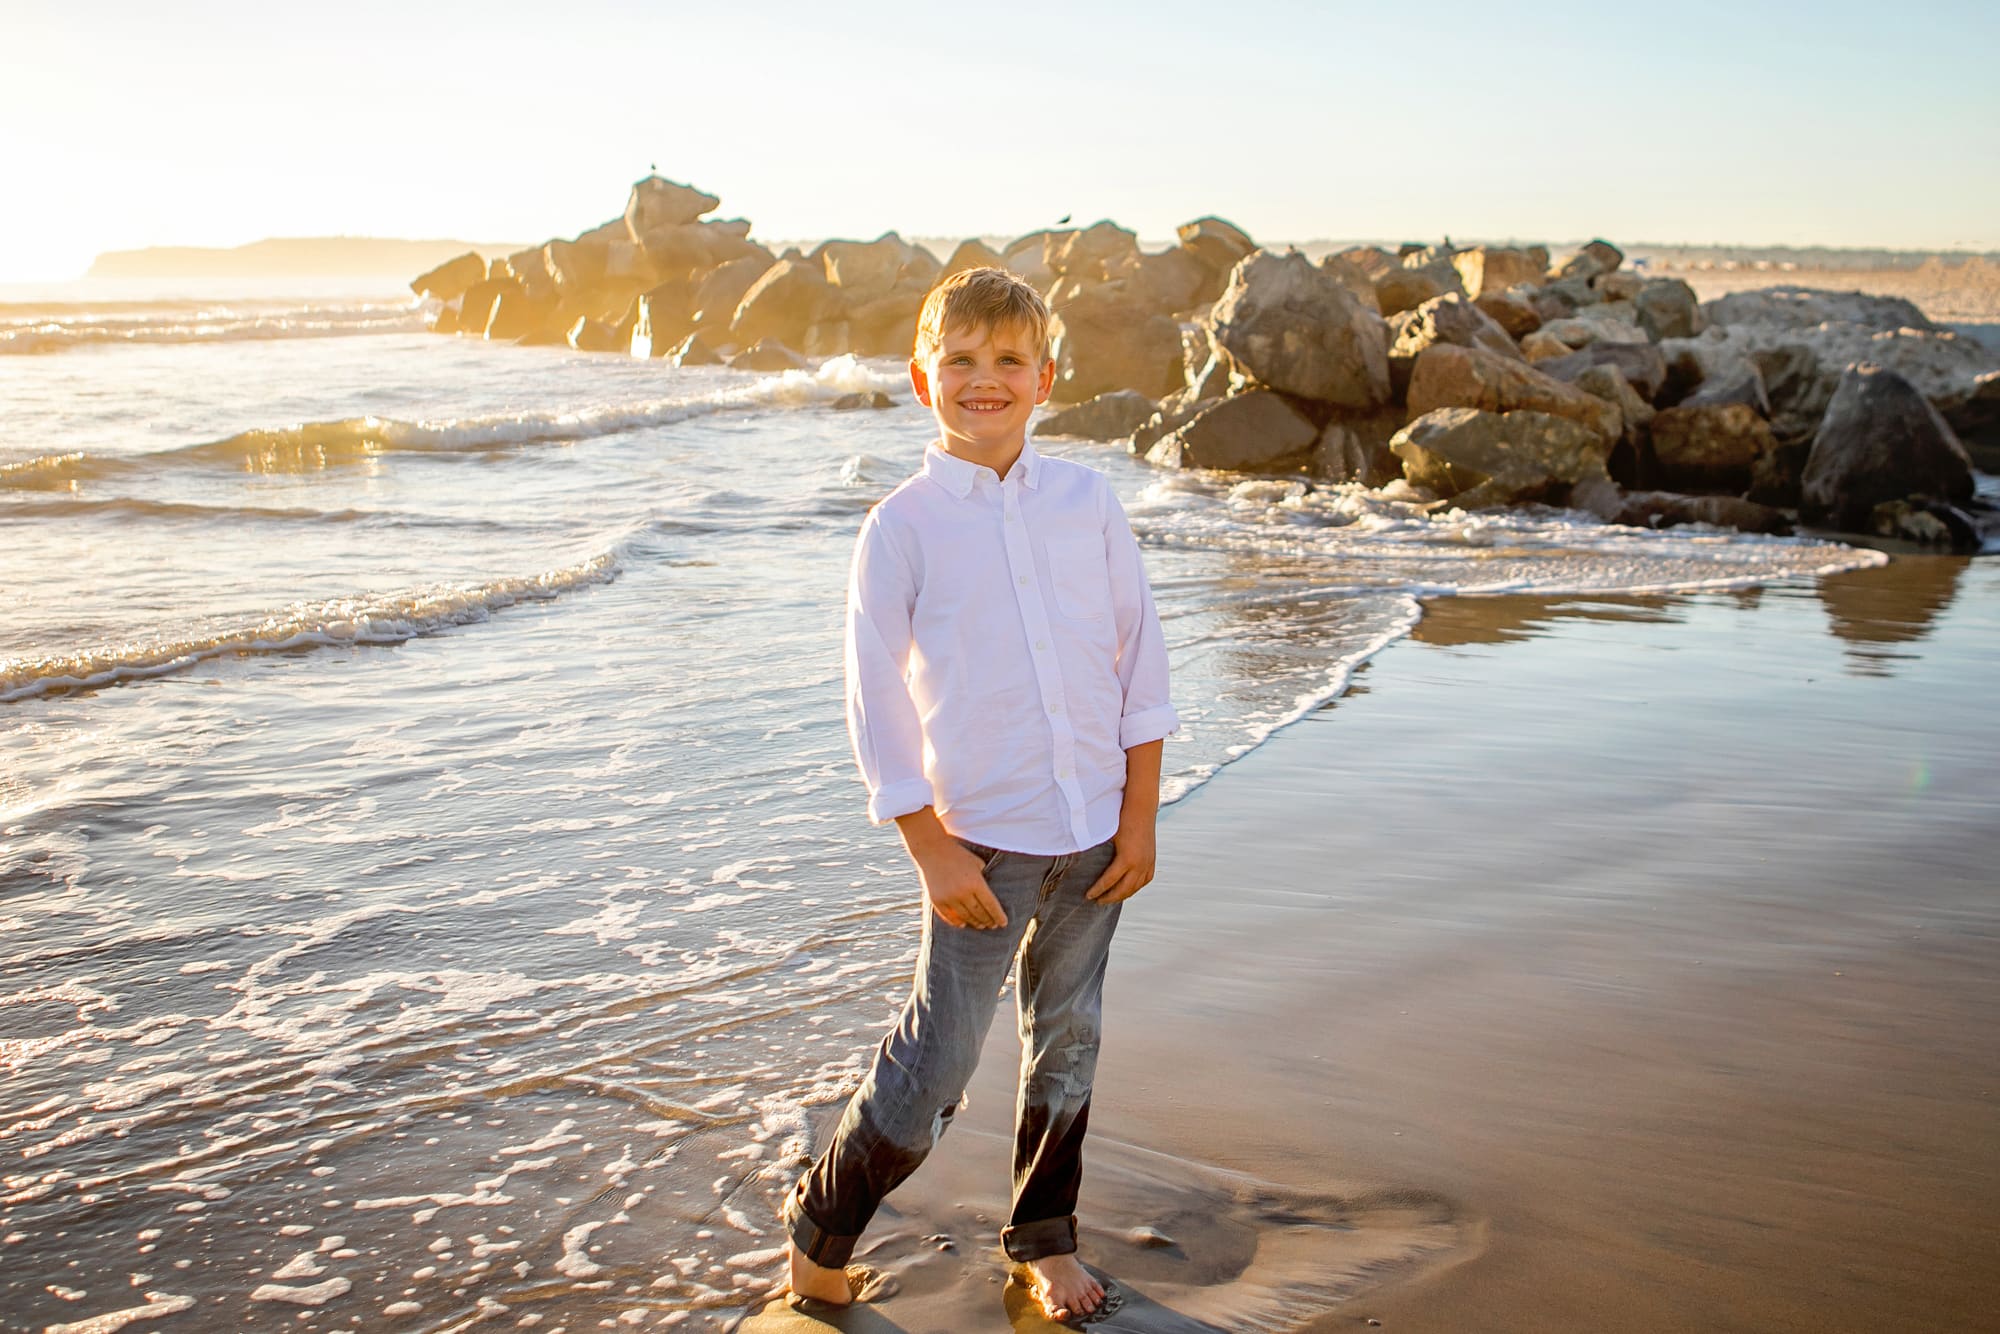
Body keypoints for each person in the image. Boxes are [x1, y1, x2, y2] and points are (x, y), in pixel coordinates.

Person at [781, 266, 1178, 1323]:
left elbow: (1138, 660)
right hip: (978, 845)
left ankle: (1044, 1237)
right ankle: (820, 1231)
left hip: (1095, 830)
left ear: (1044, 376)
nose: (984, 378)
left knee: (1071, 1034)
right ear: (923, 379)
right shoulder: (902, 526)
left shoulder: (1086, 502)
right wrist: (927, 844)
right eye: (960, 360)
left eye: (1007, 360)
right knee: (937, 1059)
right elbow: (874, 697)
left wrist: (1138, 813)